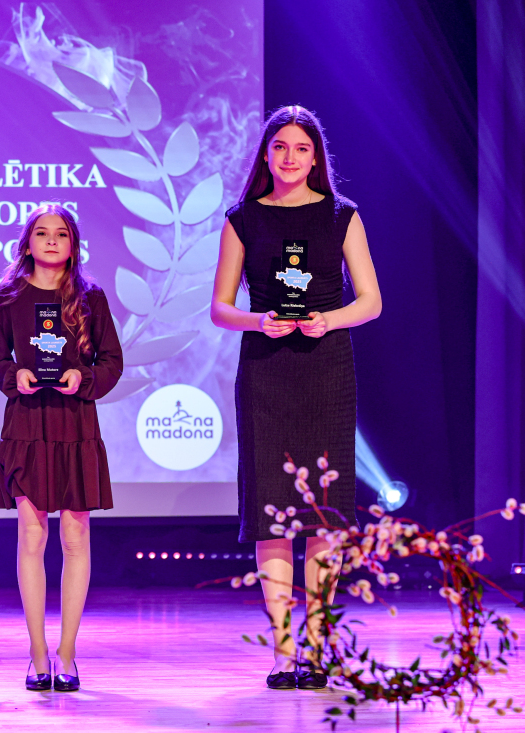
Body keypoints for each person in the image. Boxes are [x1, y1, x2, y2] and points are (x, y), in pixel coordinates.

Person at [210, 105, 381, 690]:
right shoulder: (242, 219)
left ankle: (318, 648)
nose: (289, 157)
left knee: (324, 517)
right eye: (279, 146)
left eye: (300, 148)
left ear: (315, 157)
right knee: (274, 515)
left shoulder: (341, 215)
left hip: (326, 370)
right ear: (266, 154)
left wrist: (328, 320)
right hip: (266, 372)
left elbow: (371, 301)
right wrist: (259, 321)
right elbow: (220, 308)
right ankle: (285, 653)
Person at [0, 203, 123, 692]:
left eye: (60, 233)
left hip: (75, 423)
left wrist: (82, 377)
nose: (50, 240)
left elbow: (111, 361)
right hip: (27, 424)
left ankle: (67, 652)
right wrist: (15, 374)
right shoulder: (10, 295)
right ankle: (37, 653)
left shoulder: (90, 297)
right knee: (31, 534)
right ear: (27, 243)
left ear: (73, 243)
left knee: (75, 536)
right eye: (41, 233)